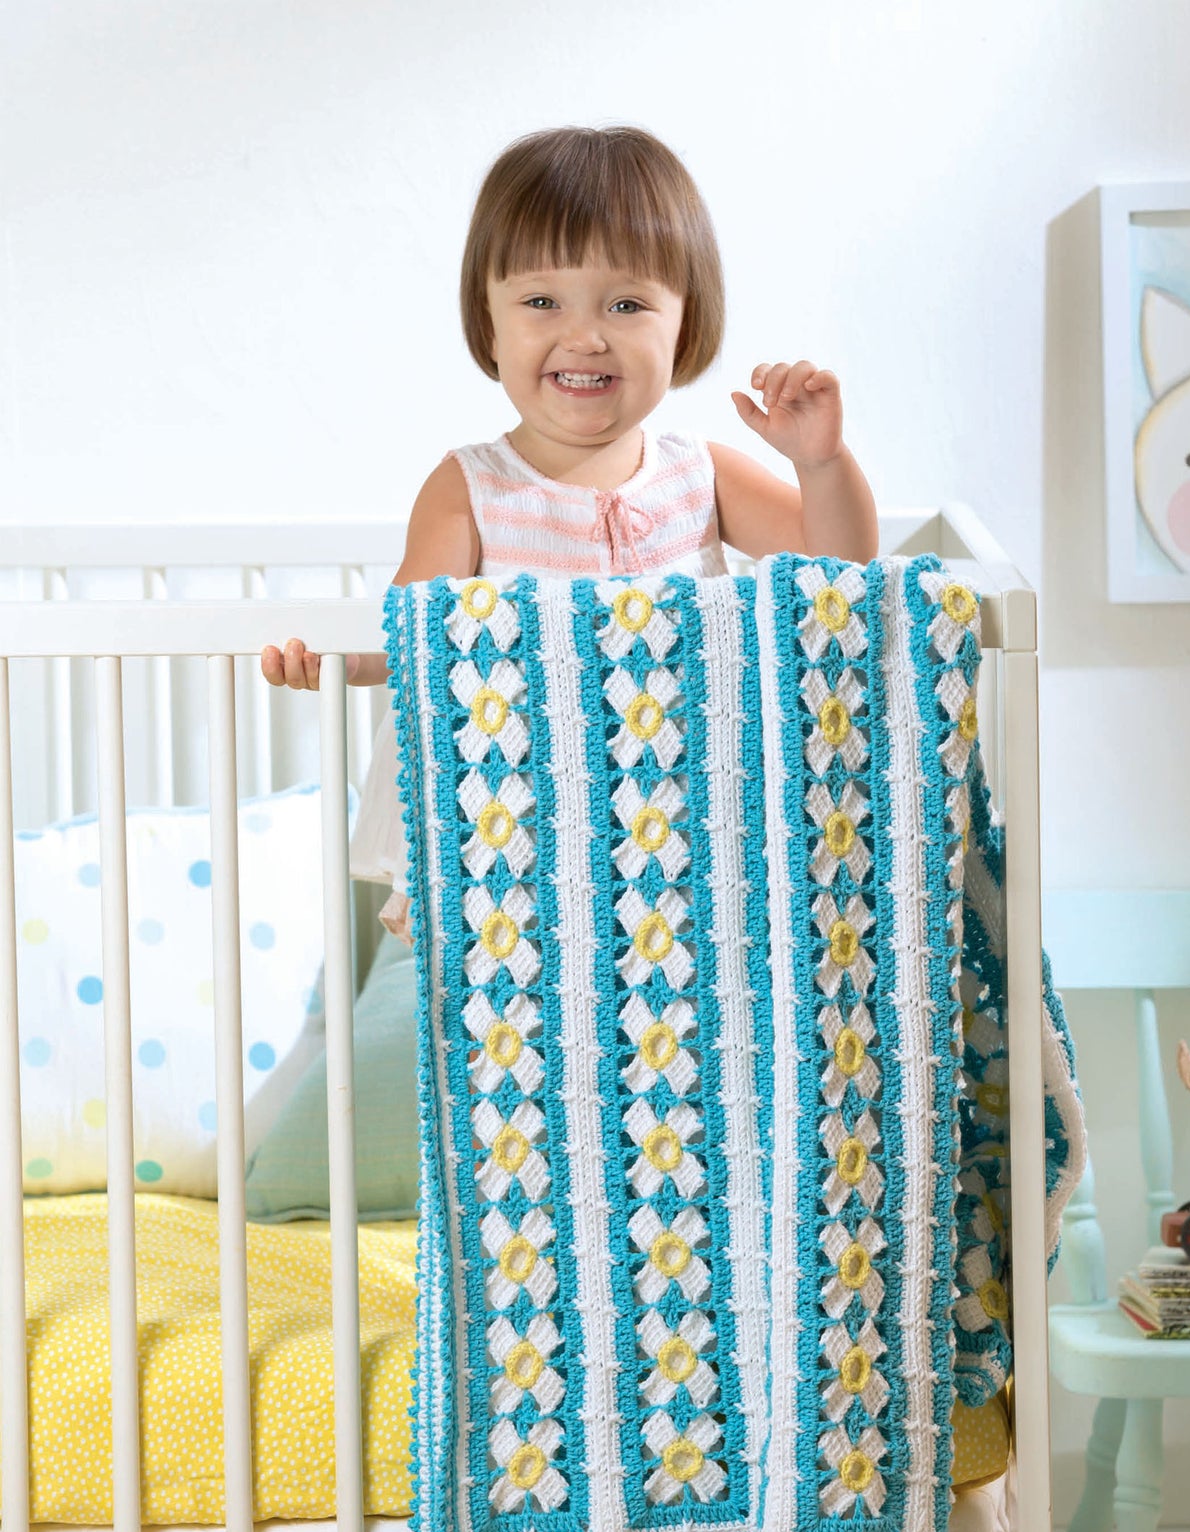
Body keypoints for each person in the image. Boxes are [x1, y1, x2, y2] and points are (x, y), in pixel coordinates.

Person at [261, 124, 878, 940]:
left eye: (625, 305)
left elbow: (840, 567)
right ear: (487, 325)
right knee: (522, 1016)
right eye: (540, 301)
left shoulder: (700, 473)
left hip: (686, 815)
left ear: (685, 327)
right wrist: (332, 658)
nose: (585, 335)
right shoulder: (472, 487)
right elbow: (411, 630)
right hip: (517, 826)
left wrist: (821, 463)